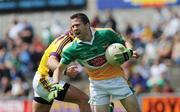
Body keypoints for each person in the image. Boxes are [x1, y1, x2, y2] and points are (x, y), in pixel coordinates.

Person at [52, 13, 141, 112]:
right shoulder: (71, 49)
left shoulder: (106, 33)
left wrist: (131, 50)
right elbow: (59, 68)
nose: (74, 28)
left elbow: (124, 42)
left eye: (77, 25)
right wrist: (55, 84)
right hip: (97, 85)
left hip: (117, 79)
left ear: (87, 25)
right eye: (72, 26)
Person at [32, 31, 91, 112]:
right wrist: (65, 71)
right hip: (45, 80)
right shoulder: (65, 41)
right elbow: (51, 62)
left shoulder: (74, 40)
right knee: (83, 99)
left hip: (42, 80)